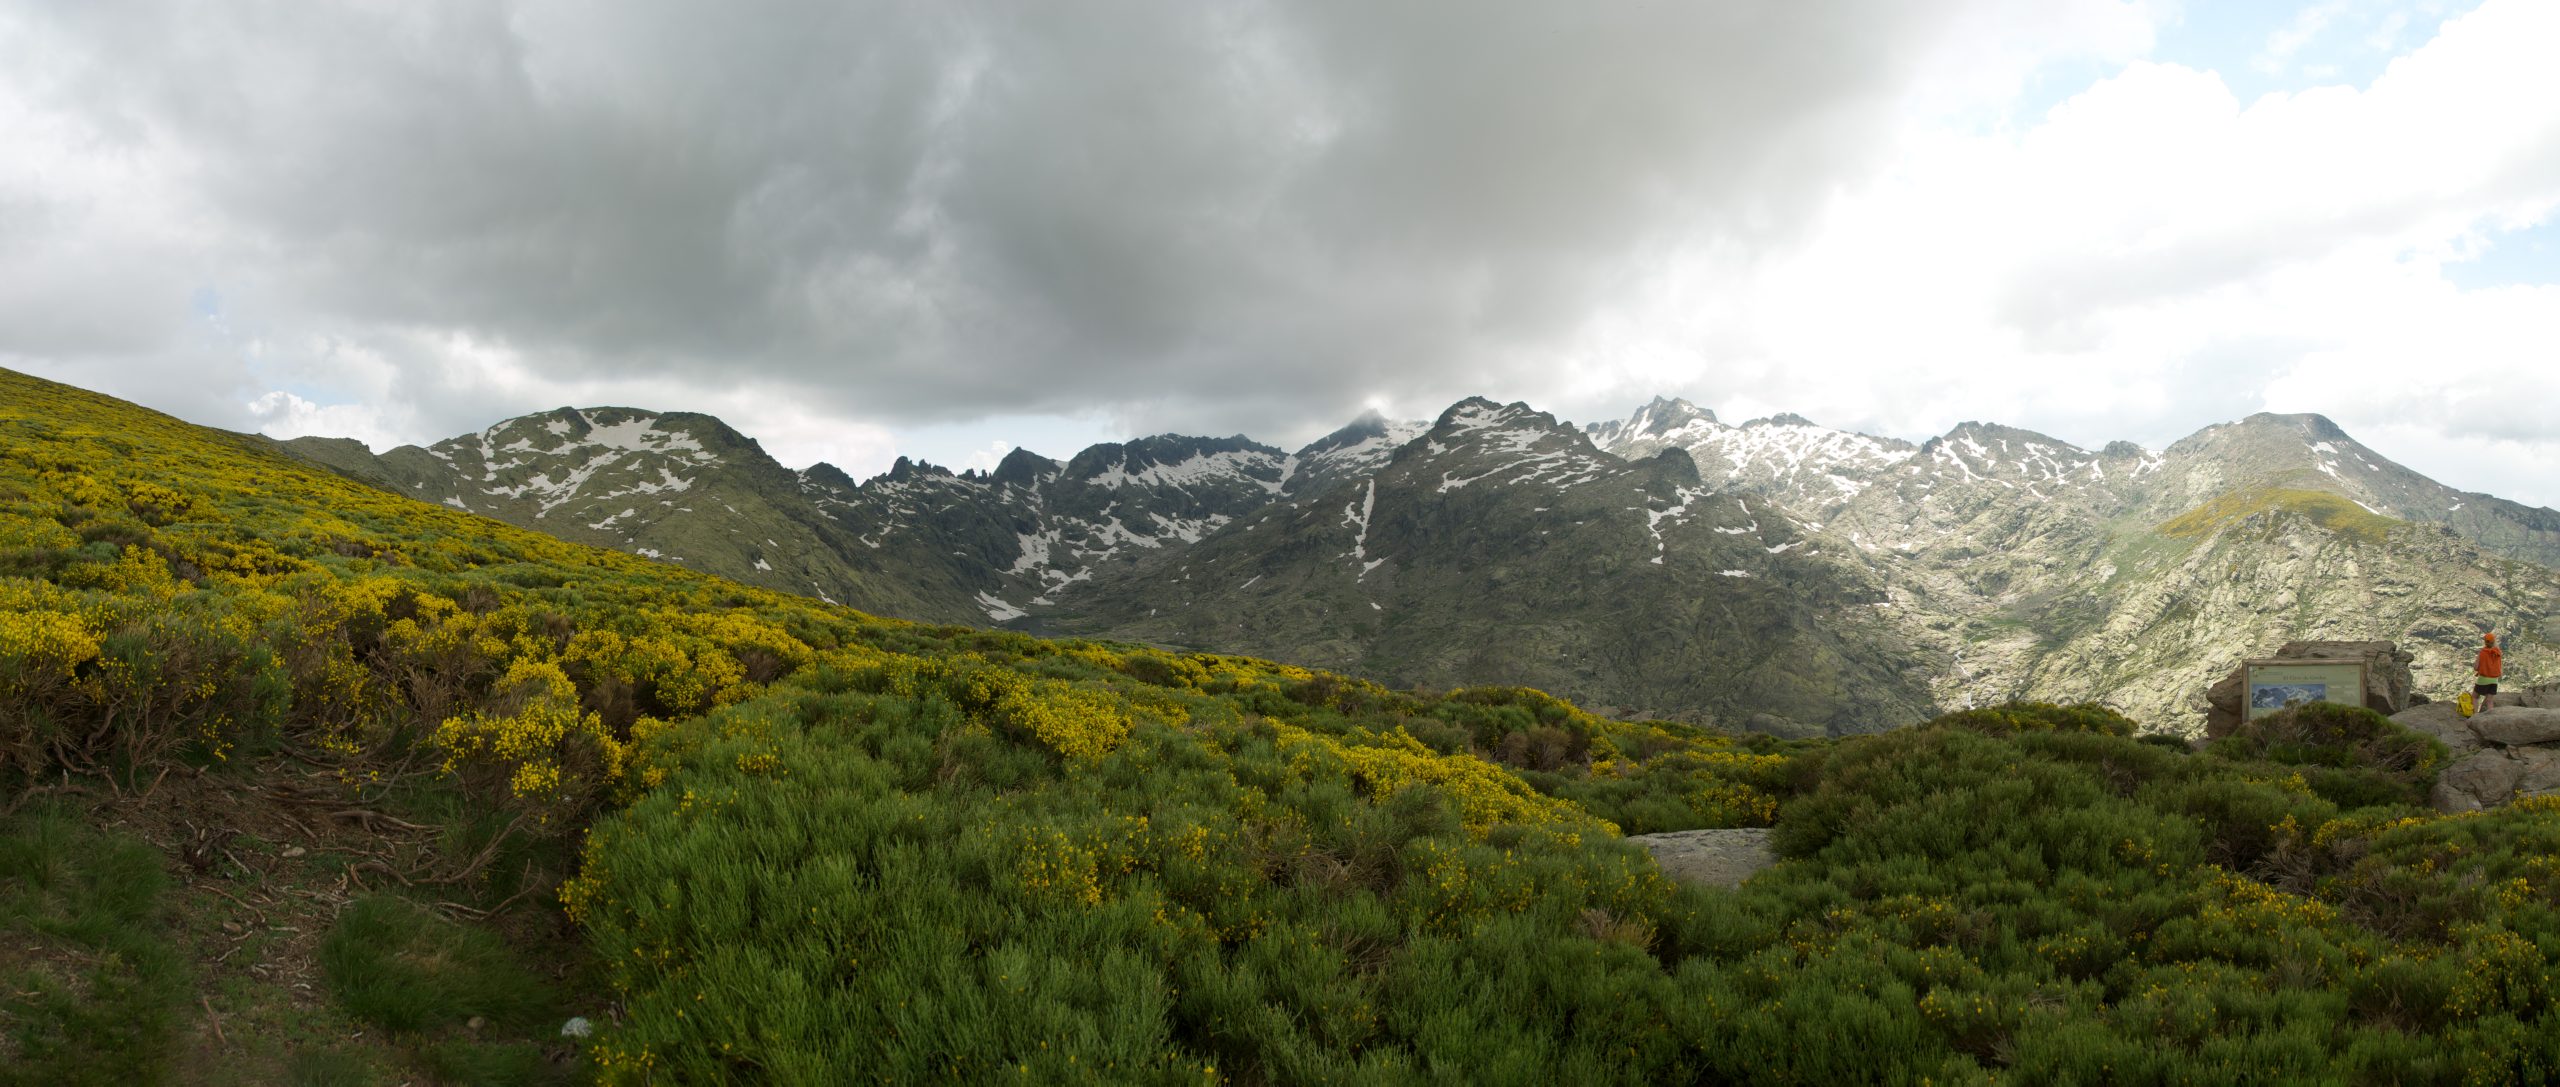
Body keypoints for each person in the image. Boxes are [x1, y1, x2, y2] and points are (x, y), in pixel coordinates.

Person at [2476, 632, 2504, 714]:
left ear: (2485, 642)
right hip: (2494, 680)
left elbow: (2476, 667)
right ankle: (2491, 716)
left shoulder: (2483, 652)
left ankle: (2475, 715)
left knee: (2475, 696)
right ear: (2493, 641)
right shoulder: (2498, 652)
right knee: (2489, 700)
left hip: (2483, 679)